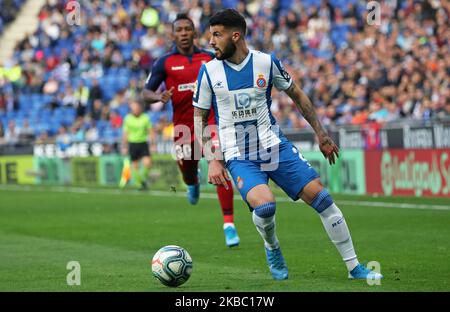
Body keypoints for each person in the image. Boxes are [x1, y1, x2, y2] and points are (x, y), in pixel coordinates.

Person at [193, 9, 383, 281]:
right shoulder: (209, 71)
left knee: (323, 199)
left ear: (236, 36)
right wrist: (212, 158)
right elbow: (198, 117)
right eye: (211, 35)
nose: (211, 41)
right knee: (266, 207)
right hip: (239, 154)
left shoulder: (265, 62)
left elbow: (297, 95)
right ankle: (272, 246)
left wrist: (321, 134)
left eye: (217, 35)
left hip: (274, 147)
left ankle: (354, 267)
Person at [142, 13, 240, 248]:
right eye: (179, 29)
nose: (184, 33)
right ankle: (192, 182)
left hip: (210, 123)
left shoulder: (210, 58)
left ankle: (229, 224)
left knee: (218, 163)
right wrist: (158, 96)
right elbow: (145, 93)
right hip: (183, 128)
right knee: (187, 170)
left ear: (195, 33)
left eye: (188, 29)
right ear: (173, 34)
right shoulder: (164, 62)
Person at [121, 100, 155, 190]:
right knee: (135, 165)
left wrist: (152, 144)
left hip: (143, 143)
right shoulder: (127, 118)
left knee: (148, 163)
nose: (135, 110)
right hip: (132, 143)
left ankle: (142, 179)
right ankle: (139, 184)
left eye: (137, 108)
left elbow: (150, 131)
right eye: (134, 108)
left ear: (140, 109)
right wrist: (124, 146)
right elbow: (125, 133)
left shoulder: (145, 118)